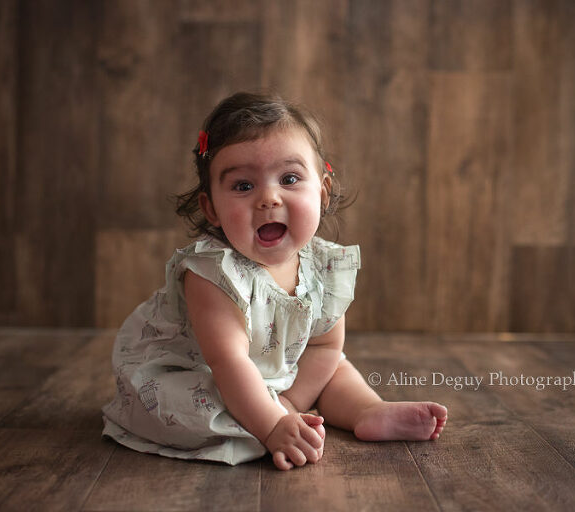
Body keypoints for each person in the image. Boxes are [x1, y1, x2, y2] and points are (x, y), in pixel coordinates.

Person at [102, 92, 447, 470]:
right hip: (201, 372)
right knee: (209, 406)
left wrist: (289, 405)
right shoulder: (212, 272)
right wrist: (272, 425)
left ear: (323, 191)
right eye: (243, 186)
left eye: (289, 178)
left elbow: (324, 348)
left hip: (274, 372)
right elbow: (227, 360)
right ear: (211, 208)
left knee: (335, 369)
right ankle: (264, 419)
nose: (268, 198)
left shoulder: (323, 267)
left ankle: (367, 411)